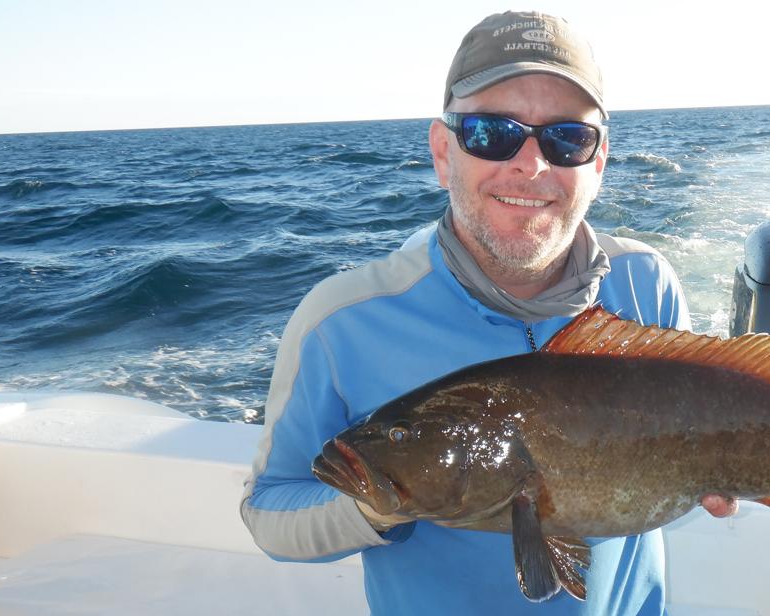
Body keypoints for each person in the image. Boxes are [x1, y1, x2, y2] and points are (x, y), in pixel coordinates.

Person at [240, 10, 734, 615]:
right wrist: (383, 499)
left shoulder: (646, 282)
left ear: (598, 165)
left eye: (566, 139)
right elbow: (268, 511)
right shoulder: (340, 323)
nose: (530, 165)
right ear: (443, 151)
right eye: (492, 133)